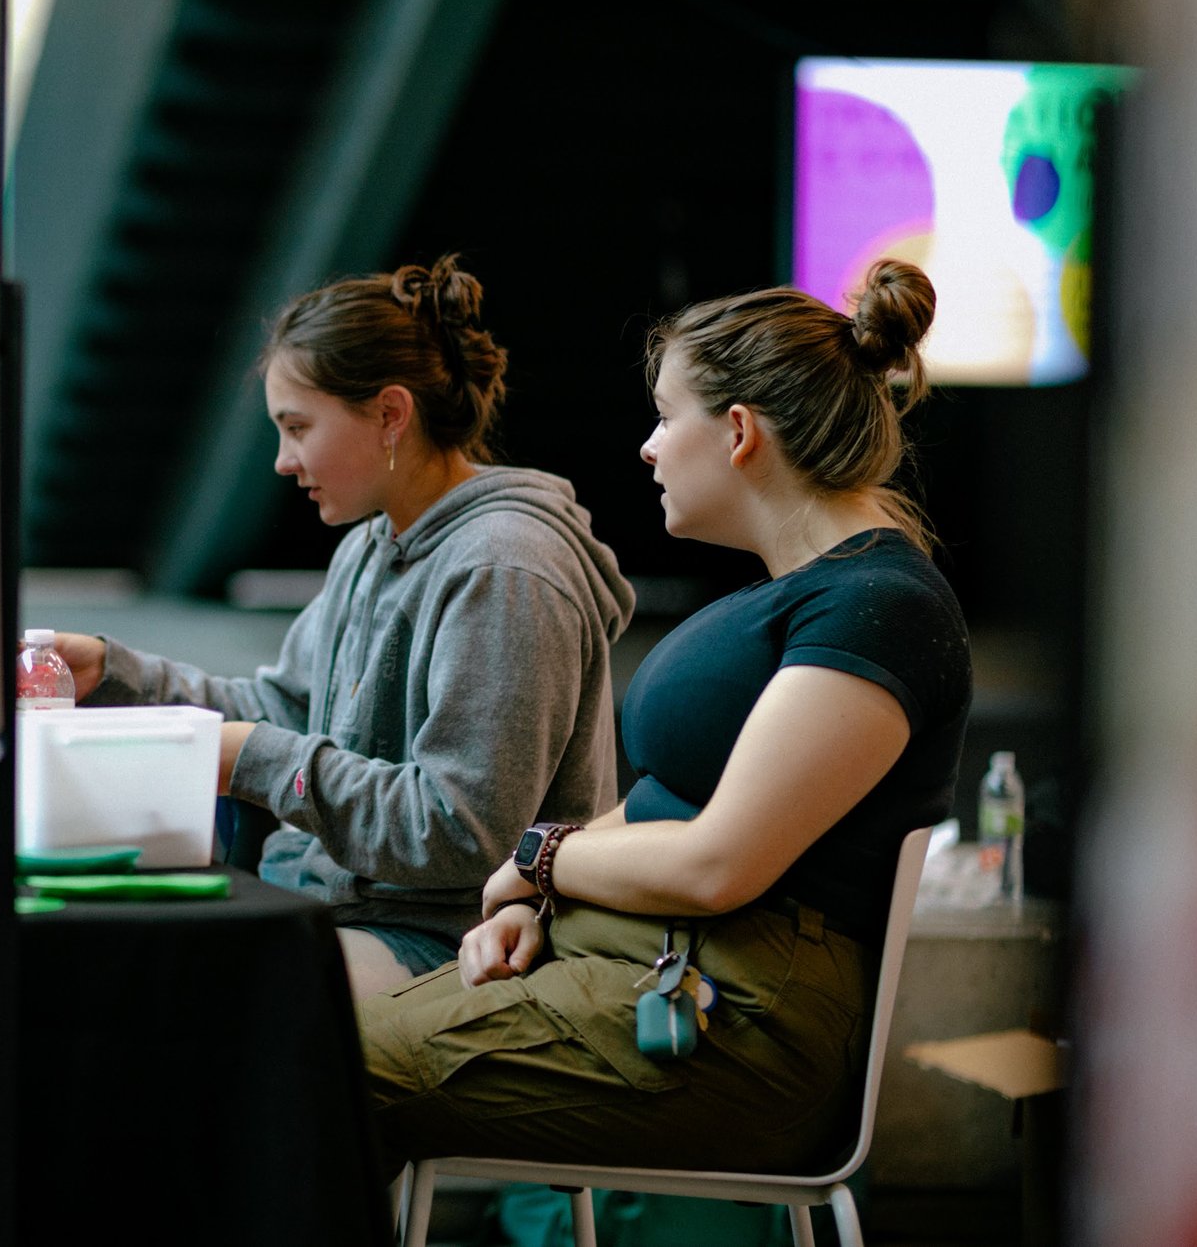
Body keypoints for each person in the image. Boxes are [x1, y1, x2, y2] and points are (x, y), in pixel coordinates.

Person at [359, 261, 972, 1176]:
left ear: (737, 431)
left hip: (734, 1020)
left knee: (290, 1066)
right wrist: (551, 893)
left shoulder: (881, 606)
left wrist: (537, 858)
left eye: (664, 414)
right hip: (661, 973)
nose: (647, 447)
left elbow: (718, 860)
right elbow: (668, 808)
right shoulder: (816, 595)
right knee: (281, 1055)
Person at [54, 255, 635, 998]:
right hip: (334, 908)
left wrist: (257, 759)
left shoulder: (505, 567)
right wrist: (113, 672)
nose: (282, 460)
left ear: (391, 413)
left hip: (448, 941)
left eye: (297, 427)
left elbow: (463, 835)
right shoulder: (370, 542)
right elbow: (288, 712)